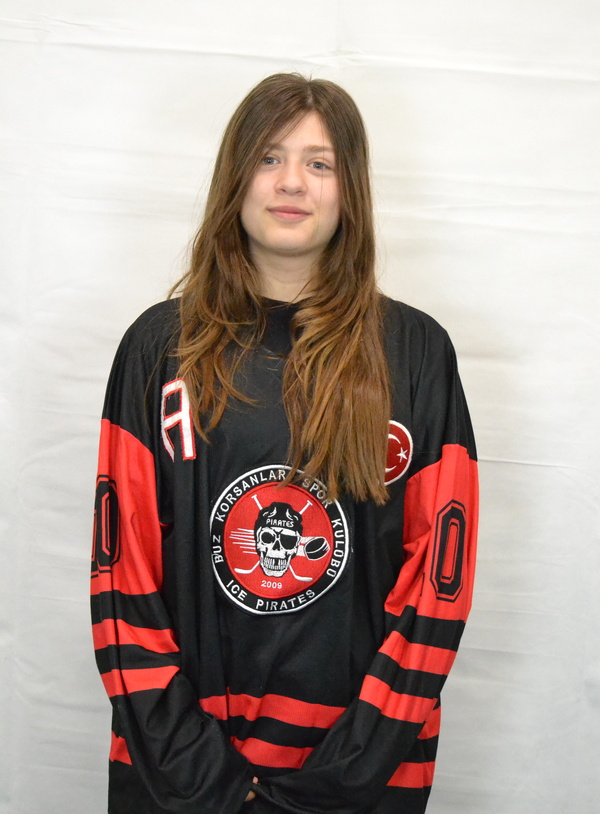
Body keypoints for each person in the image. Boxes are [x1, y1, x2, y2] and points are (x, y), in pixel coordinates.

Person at [91, 73, 478, 814]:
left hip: (361, 780)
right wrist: (197, 769)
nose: (291, 181)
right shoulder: (158, 347)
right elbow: (121, 577)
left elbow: (438, 585)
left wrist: (347, 771)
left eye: (319, 162)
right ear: (235, 178)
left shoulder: (416, 352)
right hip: (178, 778)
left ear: (350, 188)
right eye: (269, 157)